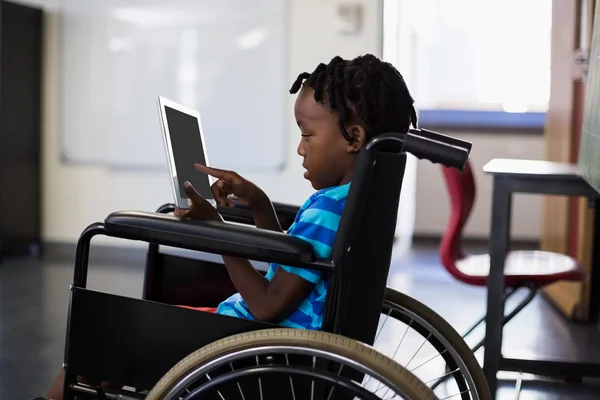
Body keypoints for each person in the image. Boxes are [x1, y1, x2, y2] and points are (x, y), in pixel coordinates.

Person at [41, 53, 418, 400]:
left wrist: (216, 228)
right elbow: (290, 267)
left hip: (253, 346)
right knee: (120, 348)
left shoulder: (328, 209)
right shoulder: (347, 201)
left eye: (307, 135)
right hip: (269, 341)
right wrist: (259, 203)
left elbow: (268, 304)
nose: (301, 149)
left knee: (97, 349)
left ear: (353, 138)